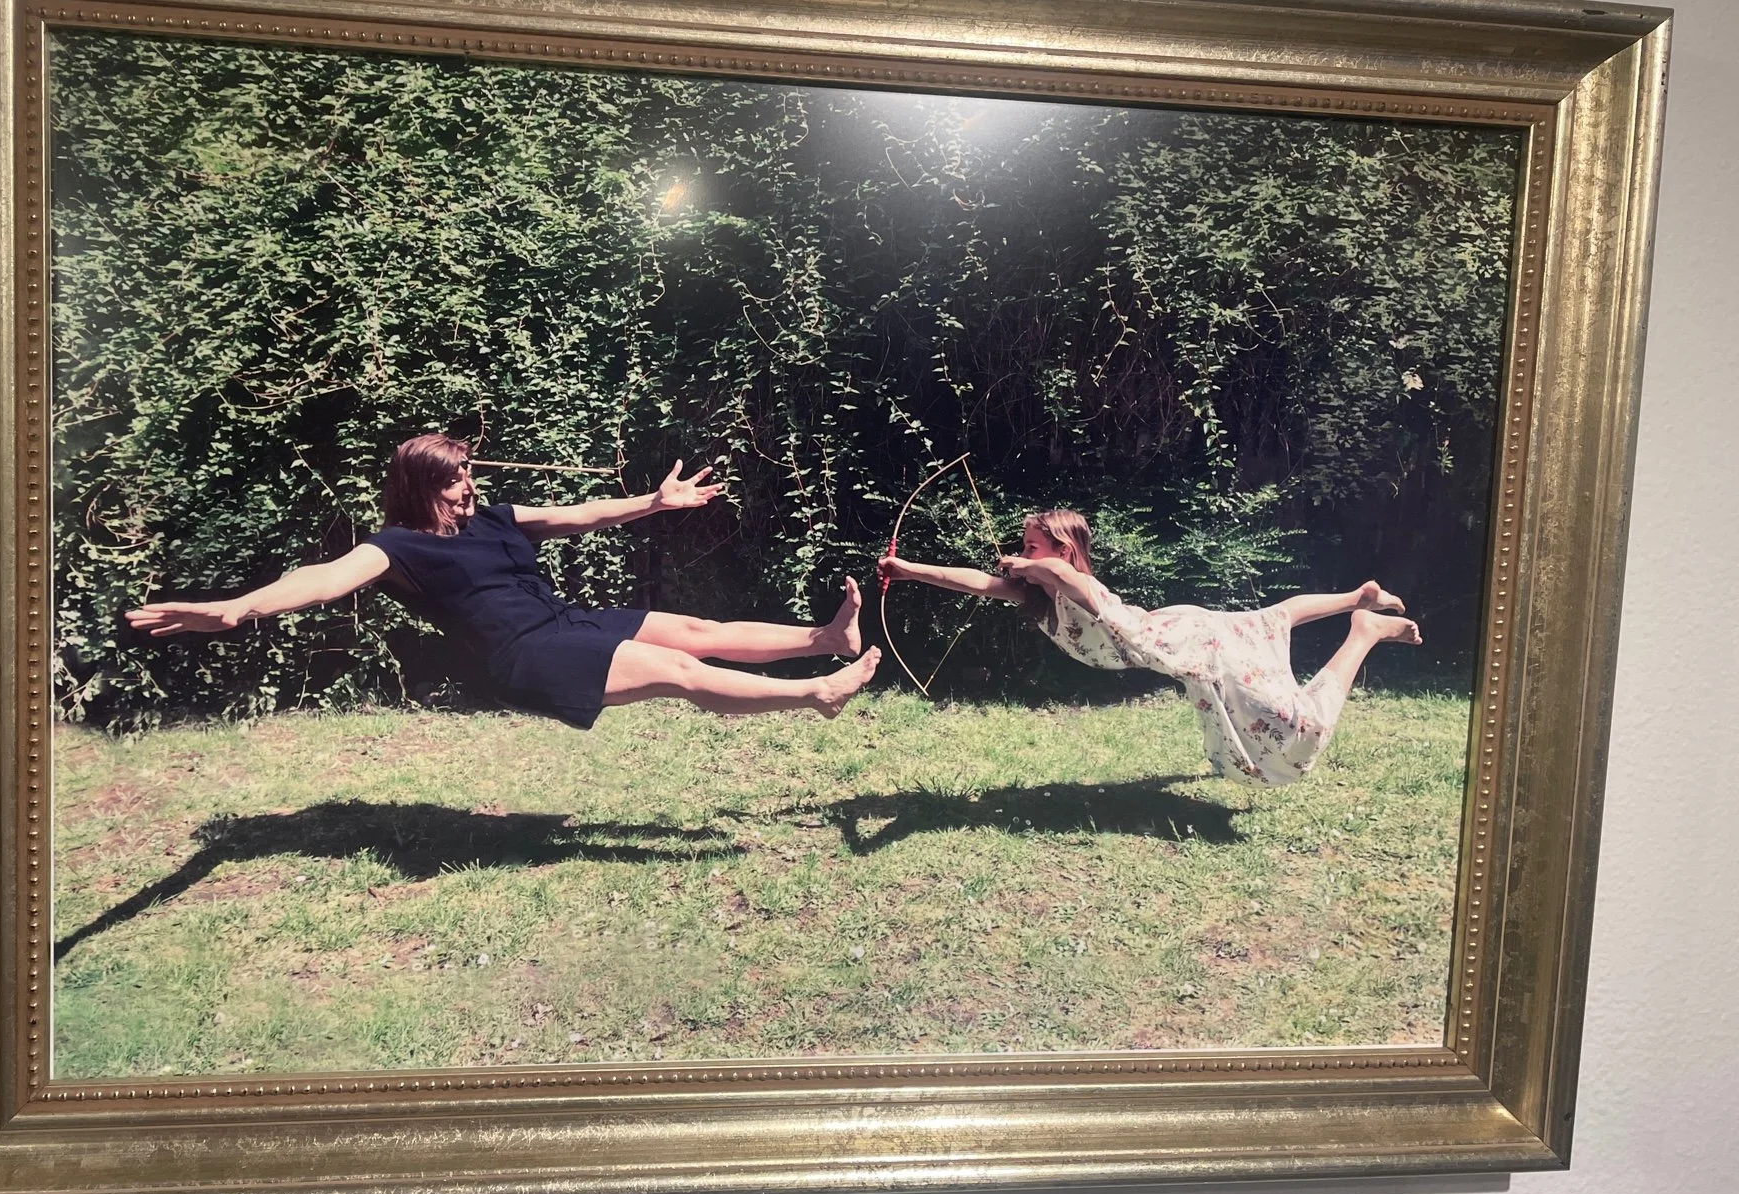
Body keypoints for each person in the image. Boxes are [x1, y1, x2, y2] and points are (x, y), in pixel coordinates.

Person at [126, 433, 880, 726]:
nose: (468, 490)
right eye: (455, 481)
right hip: (521, 657)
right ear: (421, 487)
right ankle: (816, 693)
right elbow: (323, 577)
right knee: (682, 669)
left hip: (560, 621)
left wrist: (653, 502)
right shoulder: (395, 547)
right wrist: (238, 609)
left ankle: (824, 639)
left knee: (695, 631)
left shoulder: (493, 520)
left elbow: (581, 514)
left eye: (469, 477)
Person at [876, 508, 1420, 785]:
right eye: (1022, 547)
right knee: (1269, 617)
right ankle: (1359, 595)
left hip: (1189, 638)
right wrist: (905, 571)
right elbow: (966, 579)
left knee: (1297, 729)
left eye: (1033, 545)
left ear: (1063, 550)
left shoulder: (1075, 583)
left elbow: (1066, 578)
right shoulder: (1037, 592)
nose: (1020, 555)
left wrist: (1033, 564)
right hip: (1178, 642)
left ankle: (1363, 629)